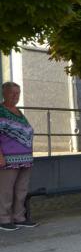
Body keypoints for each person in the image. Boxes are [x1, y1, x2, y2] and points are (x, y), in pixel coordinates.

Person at [0, 81, 37, 231]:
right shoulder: (1, 110)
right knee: (6, 190)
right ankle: (3, 219)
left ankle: (19, 217)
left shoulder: (19, 112)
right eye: (12, 93)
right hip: (8, 158)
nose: (16, 96)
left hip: (25, 158)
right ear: (4, 93)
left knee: (21, 190)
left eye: (18, 93)